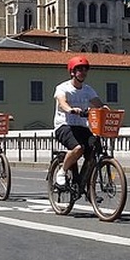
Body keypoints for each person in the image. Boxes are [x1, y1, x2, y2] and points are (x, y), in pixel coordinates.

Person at [52, 55, 109, 188]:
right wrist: (71, 110)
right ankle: (62, 172)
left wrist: (105, 109)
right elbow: (62, 102)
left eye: (85, 70)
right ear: (72, 72)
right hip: (64, 126)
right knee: (78, 148)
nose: (83, 72)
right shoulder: (62, 88)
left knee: (95, 151)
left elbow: (98, 103)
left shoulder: (88, 89)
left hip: (82, 127)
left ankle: (87, 186)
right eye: (79, 69)